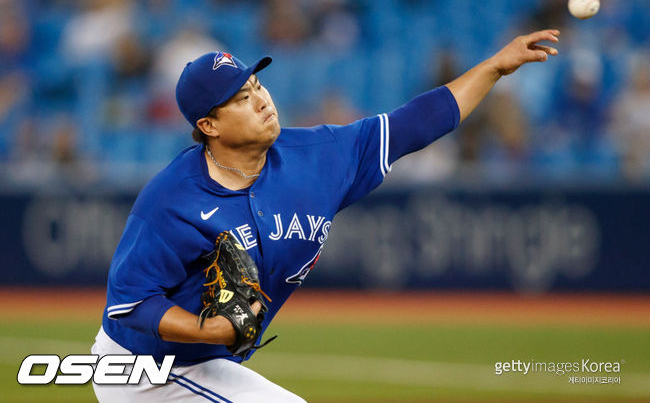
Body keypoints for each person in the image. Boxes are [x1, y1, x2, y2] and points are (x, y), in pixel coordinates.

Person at [92, 30, 559, 402]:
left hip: (209, 364)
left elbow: (415, 123)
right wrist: (205, 328)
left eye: (256, 86)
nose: (260, 100)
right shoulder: (171, 200)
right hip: (147, 372)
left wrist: (496, 67)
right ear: (208, 126)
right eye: (239, 98)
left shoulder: (318, 156)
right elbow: (130, 301)